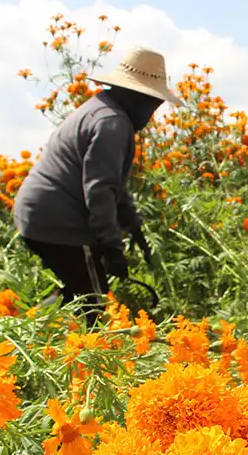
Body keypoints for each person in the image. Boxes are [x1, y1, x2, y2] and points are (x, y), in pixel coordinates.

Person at [12, 46, 183, 325]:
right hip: (60, 223)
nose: (152, 112)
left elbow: (112, 184)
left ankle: (27, 327)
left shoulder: (102, 109)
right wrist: (112, 247)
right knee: (95, 302)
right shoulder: (113, 123)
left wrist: (133, 223)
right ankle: (24, 333)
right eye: (152, 104)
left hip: (40, 214)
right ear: (135, 95)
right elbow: (99, 190)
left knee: (81, 291)